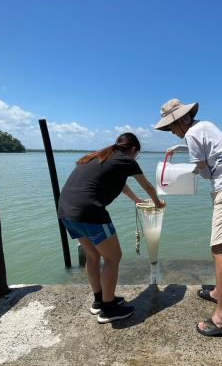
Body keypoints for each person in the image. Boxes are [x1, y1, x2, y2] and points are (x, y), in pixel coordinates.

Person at [155, 99, 222, 336]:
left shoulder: (192, 134)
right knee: (219, 246)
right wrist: (180, 152)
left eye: (171, 128)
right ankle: (219, 292)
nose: (172, 133)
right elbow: (210, 155)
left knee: (220, 249)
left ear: (180, 121)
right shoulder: (203, 126)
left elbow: (203, 169)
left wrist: (188, 170)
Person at [58, 132, 165, 324]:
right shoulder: (126, 159)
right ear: (133, 150)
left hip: (66, 211)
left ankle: (100, 301)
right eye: (136, 154)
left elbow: (121, 186)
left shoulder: (100, 156)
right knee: (113, 257)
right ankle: (109, 310)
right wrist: (157, 204)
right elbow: (148, 185)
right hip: (89, 212)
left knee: (93, 256)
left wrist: (137, 201)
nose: (135, 158)